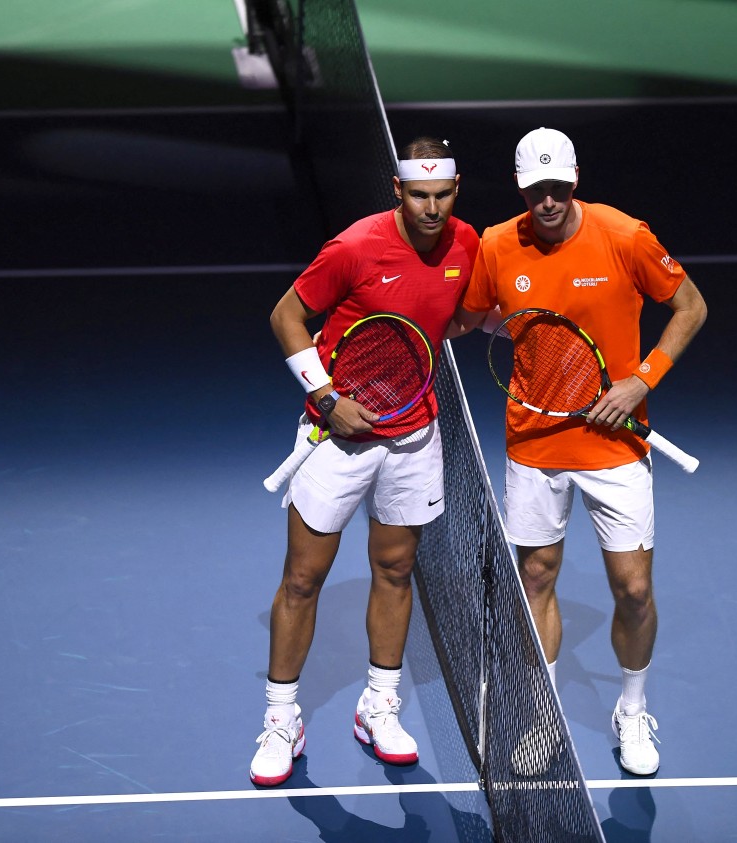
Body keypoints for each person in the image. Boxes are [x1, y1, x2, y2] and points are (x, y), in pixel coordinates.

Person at [452, 127, 707, 776]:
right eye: (536, 189)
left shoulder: (625, 235)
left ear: (575, 181)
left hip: (616, 445)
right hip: (534, 444)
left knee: (635, 589)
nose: (548, 200)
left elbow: (691, 307)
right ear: (520, 189)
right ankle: (544, 715)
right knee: (536, 579)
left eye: (558, 187)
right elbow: (471, 317)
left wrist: (641, 380)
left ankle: (632, 709)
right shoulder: (495, 245)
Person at [250, 138, 479, 787]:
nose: (431, 208)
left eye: (442, 195)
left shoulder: (467, 244)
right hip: (336, 436)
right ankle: (281, 718)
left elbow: (457, 316)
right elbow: (286, 315)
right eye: (418, 195)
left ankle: (379, 704)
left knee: (396, 569)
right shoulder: (354, 246)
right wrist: (326, 395)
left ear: (456, 189)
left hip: (413, 436)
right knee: (302, 578)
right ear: (397, 190)